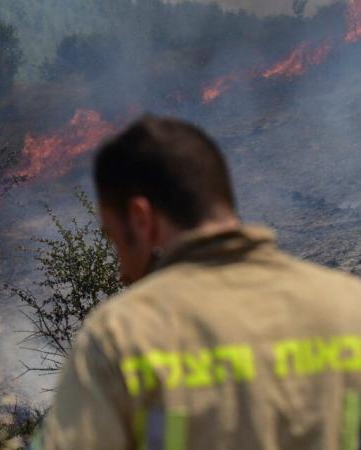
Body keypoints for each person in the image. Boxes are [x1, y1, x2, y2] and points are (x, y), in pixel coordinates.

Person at [32, 115, 361, 450]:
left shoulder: (121, 336)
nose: (122, 272)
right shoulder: (350, 306)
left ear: (141, 219)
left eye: (114, 239)